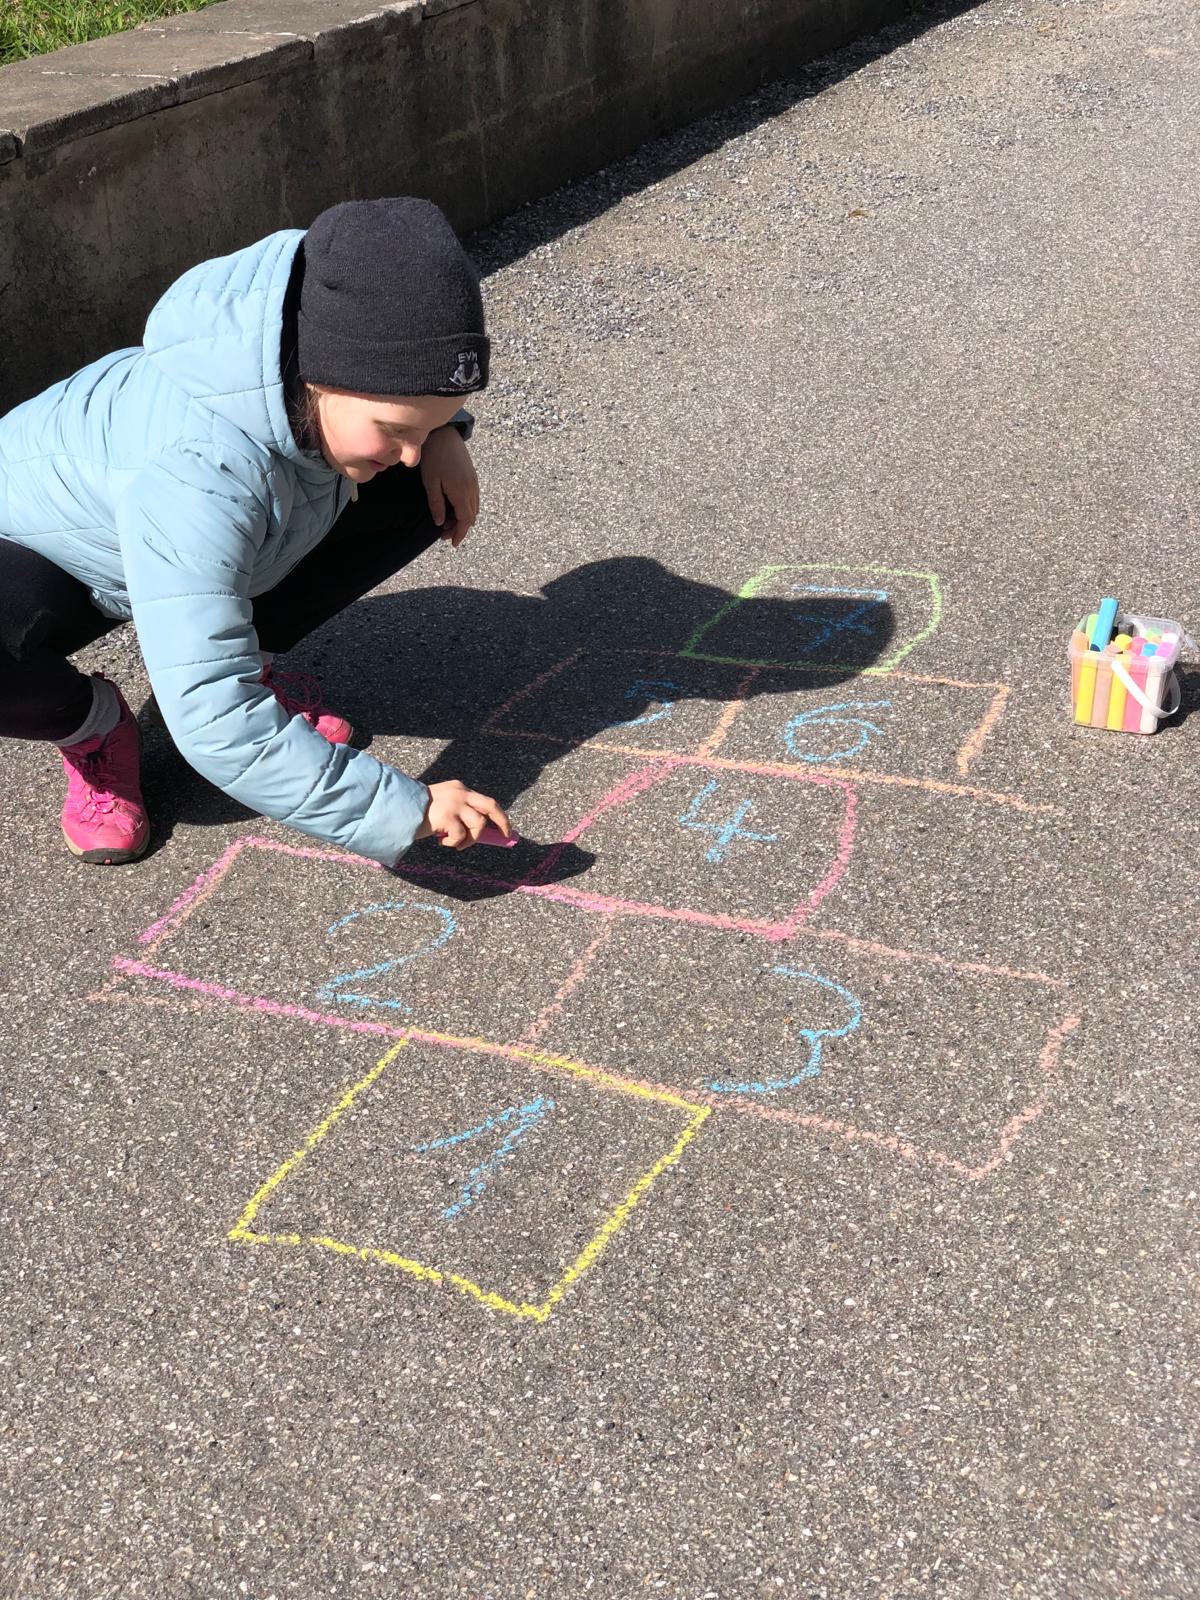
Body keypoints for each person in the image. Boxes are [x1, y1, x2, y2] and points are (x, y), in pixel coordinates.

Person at [0, 197, 511, 866]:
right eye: (397, 429)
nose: (412, 449)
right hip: (47, 558)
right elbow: (215, 716)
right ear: (322, 377)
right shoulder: (200, 471)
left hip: (191, 528)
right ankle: (90, 725)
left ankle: (249, 654)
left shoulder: (318, 346)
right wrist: (405, 807)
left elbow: (404, 398)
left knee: (417, 487)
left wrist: (445, 435)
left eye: (428, 423)